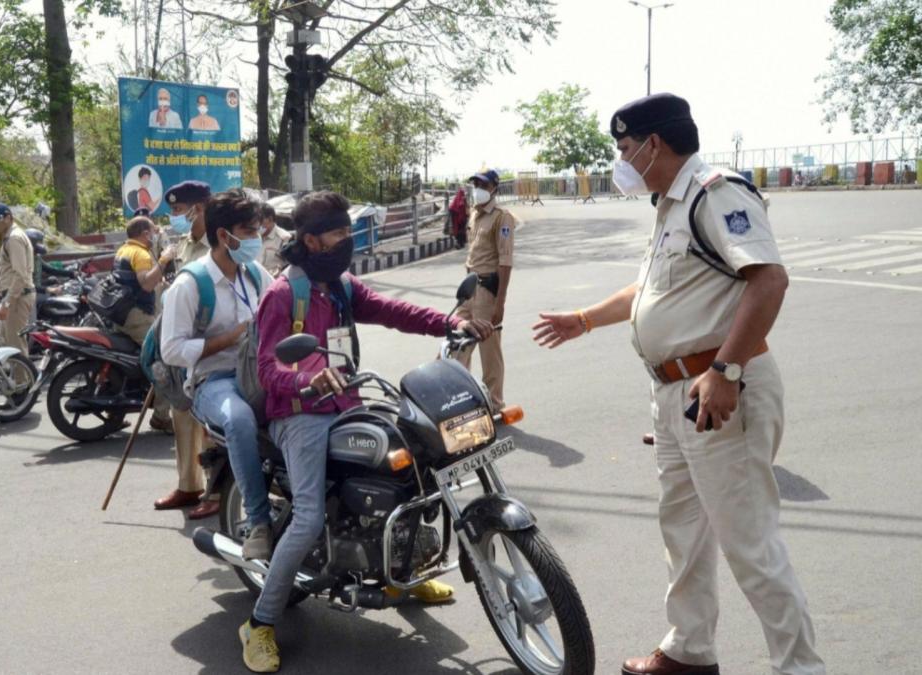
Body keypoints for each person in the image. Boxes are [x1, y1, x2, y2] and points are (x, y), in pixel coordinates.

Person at [532, 93, 824, 675]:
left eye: (623, 148)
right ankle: (689, 650)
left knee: (749, 544)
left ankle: (800, 667)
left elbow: (769, 280)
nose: (620, 160)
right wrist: (585, 319)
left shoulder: (717, 193)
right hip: (677, 395)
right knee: (683, 531)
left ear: (652, 145)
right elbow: (650, 295)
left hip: (718, 388)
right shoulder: (669, 205)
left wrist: (727, 371)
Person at [241, 191, 493, 673]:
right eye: (338, 234)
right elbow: (269, 366)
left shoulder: (339, 285)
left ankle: (405, 572)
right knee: (309, 517)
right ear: (311, 240)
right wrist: (305, 379)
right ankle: (259, 624)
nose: (347, 240)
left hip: (346, 399)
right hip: (299, 412)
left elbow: (390, 309)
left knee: (413, 467)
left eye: (347, 232)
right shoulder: (282, 293)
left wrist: (448, 323)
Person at [160, 189, 275, 556]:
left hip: (261, 373)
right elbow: (172, 350)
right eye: (249, 230)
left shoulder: (256, 274)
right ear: (225, 236)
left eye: (258, 230)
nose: (256, 239)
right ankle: (258, 521)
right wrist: (229, 338)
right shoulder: (190, 284)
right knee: (239, 421)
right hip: (215, 379)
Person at [153, 180, 215, 518]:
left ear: (199, 208)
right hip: (180, 344)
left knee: (210, 424)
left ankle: (217, 490)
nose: (175, 217)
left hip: (209, 344)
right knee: (183, 416)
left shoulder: (220, 243)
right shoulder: (183, 245)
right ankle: (189, 486)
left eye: (179, 211)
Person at [454, 168, 514, 411]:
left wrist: (500, 302)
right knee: (458, 343)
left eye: (483, 185)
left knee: (489, 351)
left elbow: (505, 262)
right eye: (476, 184)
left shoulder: (502, 217)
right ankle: (461, 398)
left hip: (488, 290)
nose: (478, 189)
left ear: (494, 188)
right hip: (468, 288)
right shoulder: (474, 215)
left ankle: (494, 403)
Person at [113, 216, 177, 433]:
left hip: (122, 316)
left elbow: (139, 282)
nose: (156, 234)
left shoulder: (124, 250)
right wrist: (164, 259)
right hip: (138, 317)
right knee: (163, 360)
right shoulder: (140, 253)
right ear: (144, 234)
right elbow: (146, 284)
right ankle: (160, 416)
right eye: (153, 230)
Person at [0, 203, 34, 356]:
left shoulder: (14, 239)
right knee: (8, 344)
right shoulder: (9, 237)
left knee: (15, 347)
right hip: (15, 296)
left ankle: (23, 380)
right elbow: (12, 272)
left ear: (8, 218)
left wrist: (6, 303)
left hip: (17, 298)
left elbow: (20, 275)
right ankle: (17, 379)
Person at [257, 202, 290, 274]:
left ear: (270, 219)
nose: (257, 224)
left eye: (260, 221)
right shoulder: (253, 237)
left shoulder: (284, 238)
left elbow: (287, 267)